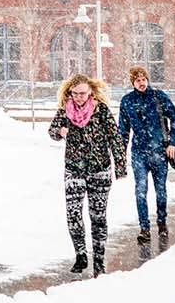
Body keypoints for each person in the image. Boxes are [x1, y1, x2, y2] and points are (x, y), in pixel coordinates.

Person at [48, 74, 126, 277]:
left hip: (99, 169)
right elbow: (52, 131)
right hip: (74, 168)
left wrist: (120, 165)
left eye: (82, 93)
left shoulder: (100, 110)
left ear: (90, 91)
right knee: (73, 214)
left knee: (97, 216)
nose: (79, 97)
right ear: (70, 92)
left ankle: (99, 261)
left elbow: (115, 138)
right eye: (75, 93)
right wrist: (60, 131)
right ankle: (81, 253)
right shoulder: (65, 110)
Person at [116, 65, 175, 245]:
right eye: (137, 80)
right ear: (133, 83)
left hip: (159, 151)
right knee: (140, 190)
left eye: (144, 79)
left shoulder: (159, 97)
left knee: (161, 190)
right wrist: (120, 151)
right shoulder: (127, 101)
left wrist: (173, 143)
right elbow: (123, 130)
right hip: (139, 153)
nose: (142, 83)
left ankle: (162, 222)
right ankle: (144, 228)